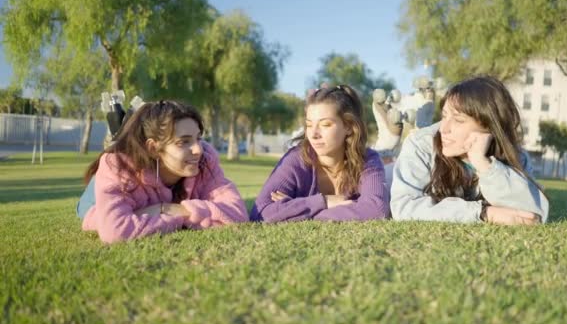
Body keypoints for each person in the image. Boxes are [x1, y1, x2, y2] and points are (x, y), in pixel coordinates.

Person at [78, 100, 248, 243]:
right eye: (184, 142)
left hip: (148, 196)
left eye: (198, 138)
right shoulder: (118, 167)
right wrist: (197, 213)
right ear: (153, 148)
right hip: (98, 195)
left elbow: (238, 215)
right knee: (91, 215)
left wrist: (170, 210)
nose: (198, 149)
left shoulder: (206, 160)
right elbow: (115, 231)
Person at [391, 76, 549, 224]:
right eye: (444, 116)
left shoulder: (516, 155)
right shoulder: (421, 144)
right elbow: (404, 207)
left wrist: (484, 164)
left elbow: (535, 213)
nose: (444, 129)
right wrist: (483, 213)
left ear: (489, 126)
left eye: (459, 120)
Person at [250, 84, 389, 222]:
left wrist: (293, 211)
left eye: (325, 124)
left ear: (348, 126)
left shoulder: (367, 160)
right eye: (309, 125)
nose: (314, 134)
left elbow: (375, 211)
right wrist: (325, 201)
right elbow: (261, 213)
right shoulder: (296, 159)